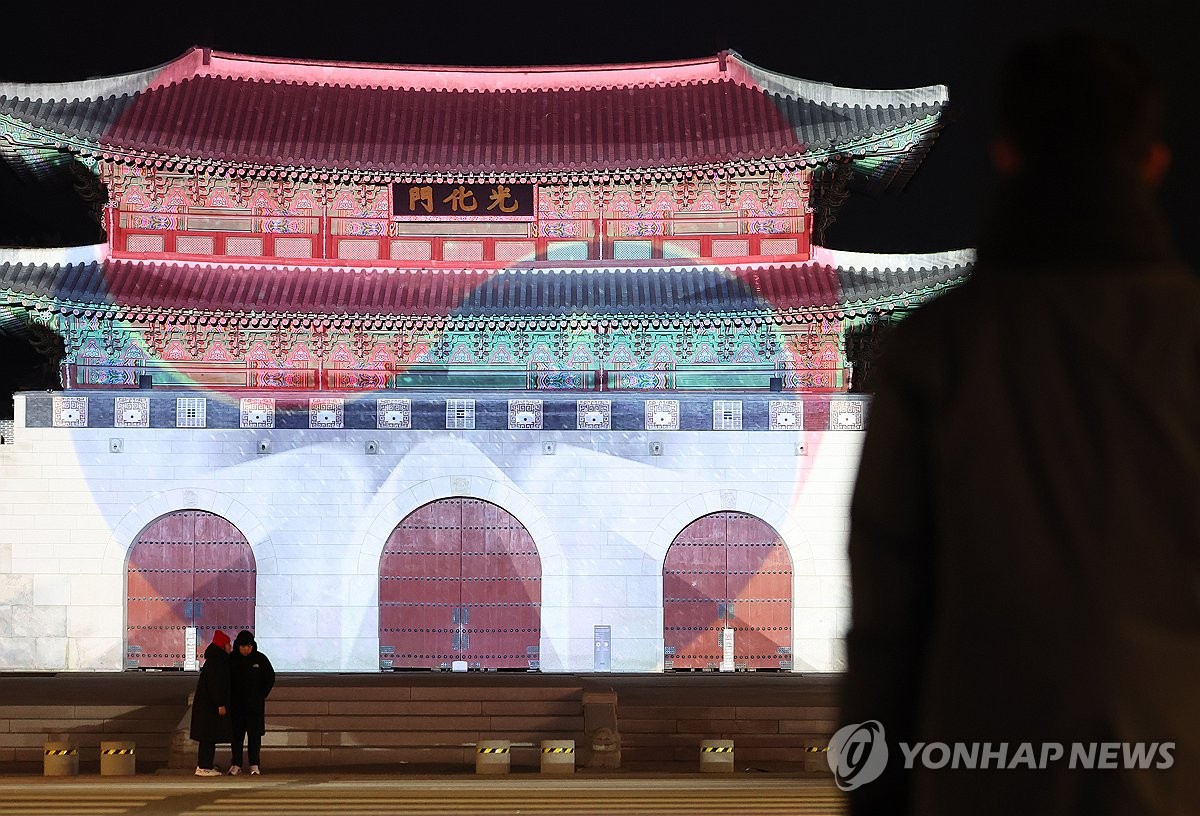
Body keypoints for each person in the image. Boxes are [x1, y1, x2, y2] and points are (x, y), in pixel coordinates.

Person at [840, 31, 1200, 816]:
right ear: (1152, 165)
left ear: (1007, 156)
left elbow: (887, 625)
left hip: (979, 768)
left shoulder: (936, 349)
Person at [228, 629, 276, 776]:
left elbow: (270, 677)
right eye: (243, 647)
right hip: (236, 706)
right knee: (236, 737)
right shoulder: (232, 660)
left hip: (254, 706)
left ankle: (254, 764)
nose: (246, 649)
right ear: (238, 646)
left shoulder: (260, 659)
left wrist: (261, 694)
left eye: (249, 646)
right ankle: (236, 764)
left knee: (254, 737)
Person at [190, 630, 232, 777]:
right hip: (210, 707)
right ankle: (203, 766)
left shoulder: (214, 660)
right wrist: (220, 703)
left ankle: (206, 765)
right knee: (208, 737)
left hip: (207, 706)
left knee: (208, 736)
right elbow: (215, 685)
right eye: (228, 644)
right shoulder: (217, 662)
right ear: (223, 645)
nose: (230, 647)